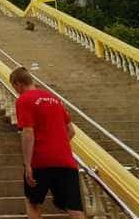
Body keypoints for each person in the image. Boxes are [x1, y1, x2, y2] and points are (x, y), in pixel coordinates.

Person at [9, 67, 84, 219]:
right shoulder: (54, 99)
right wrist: (58, 145)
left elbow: (28, 132)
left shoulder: (24, 100)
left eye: (14, 87)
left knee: (32, 202)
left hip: (40, 160)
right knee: (74, 207)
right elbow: (71, 130)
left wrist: (27, 164)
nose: (16, 91)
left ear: (18, 84)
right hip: (66, 160)